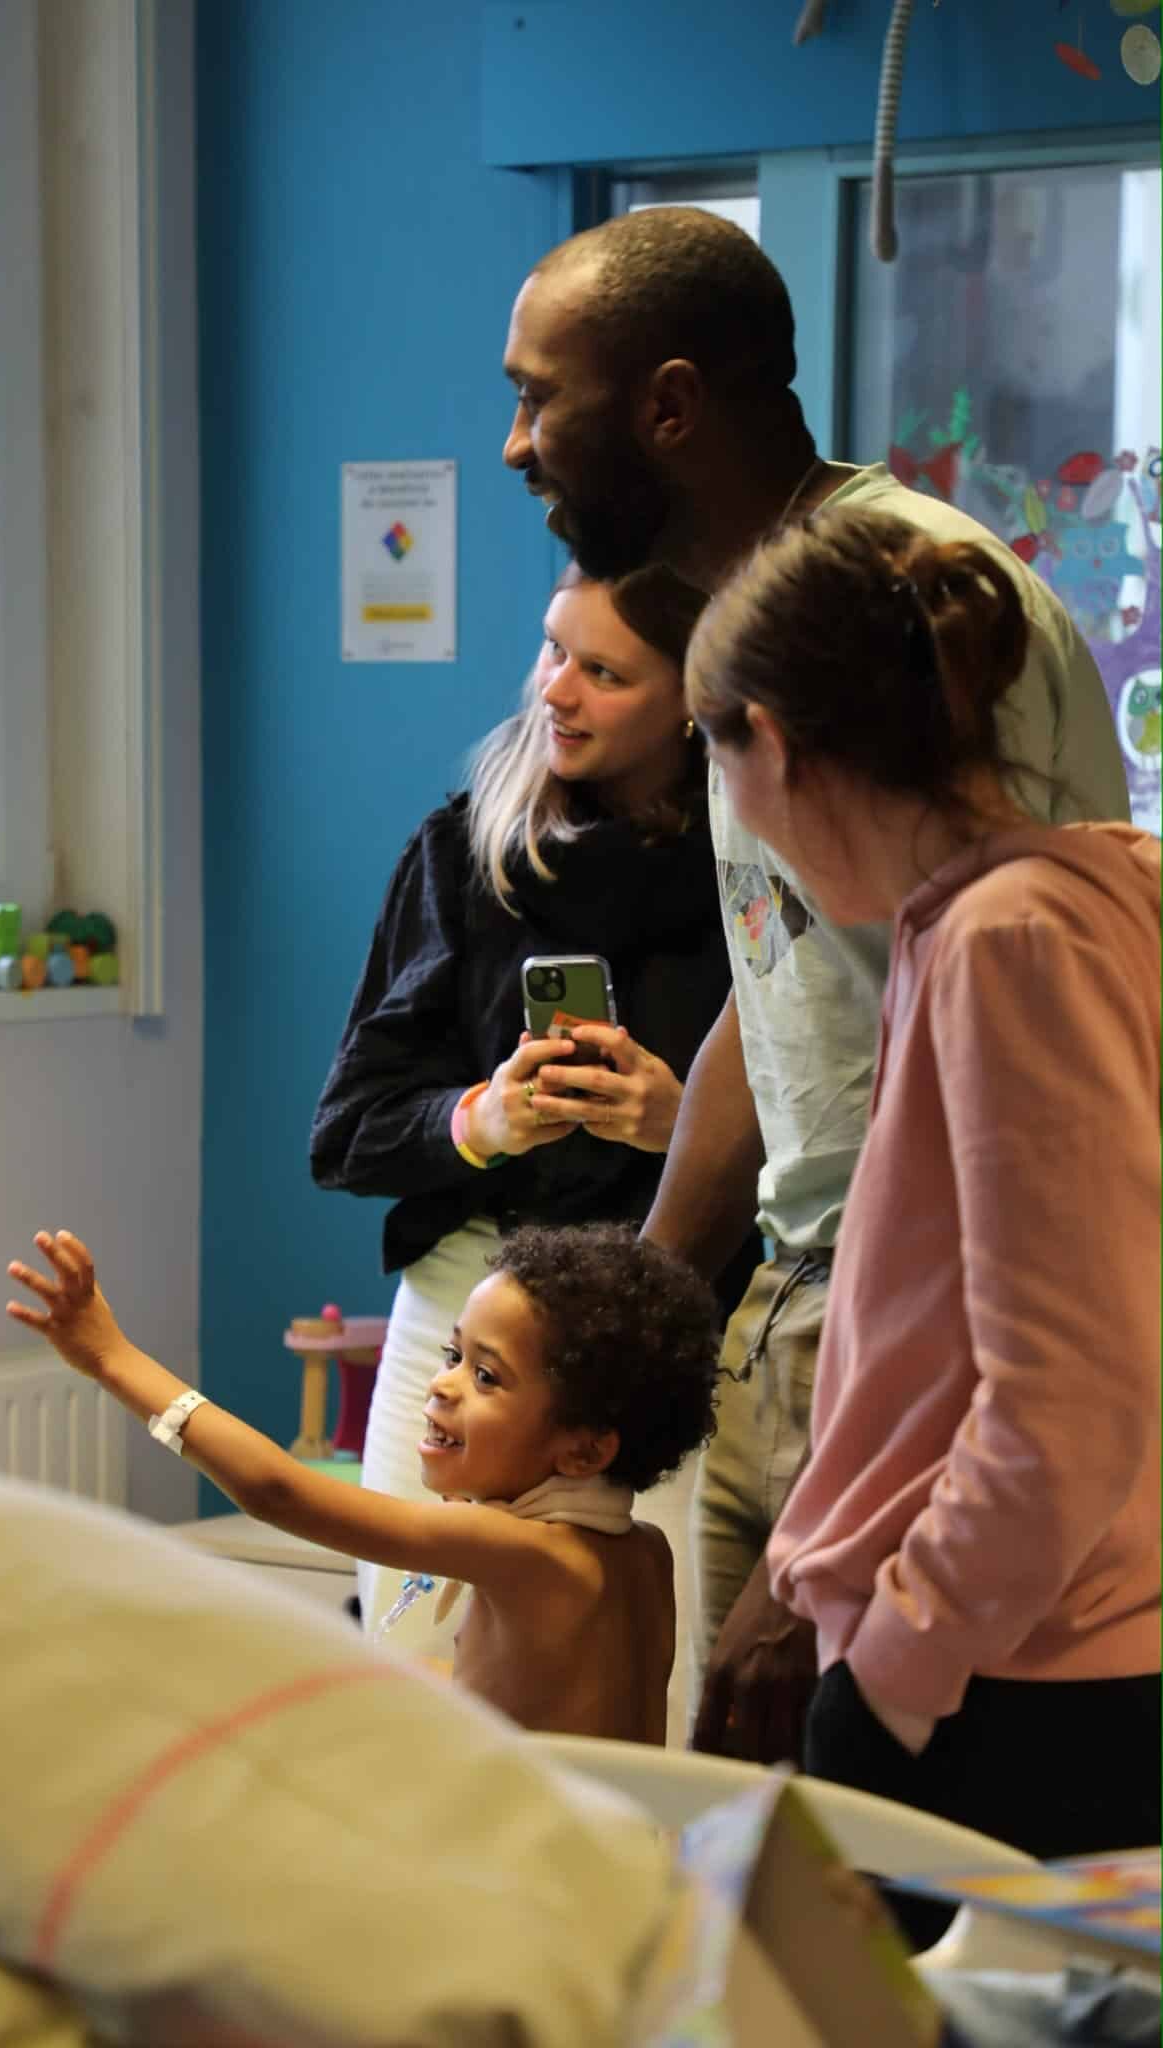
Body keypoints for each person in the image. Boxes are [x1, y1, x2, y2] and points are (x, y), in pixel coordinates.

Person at [500, 203, 1132, 1758]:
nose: (515, 445)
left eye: (536, 397)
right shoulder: (757, 626)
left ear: (667, 405)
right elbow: (775, 978)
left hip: (926, 1357)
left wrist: (871, 1524)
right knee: (742, 1812)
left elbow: (1027, 1123)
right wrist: (641, 1309)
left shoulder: (905, 607)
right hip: (793, 1313)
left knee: (844, 1825)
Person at [685, 504, 1159, 1863]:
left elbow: (1067, 1393)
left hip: (1015, 1683)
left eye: (717, 757)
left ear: (770, 743)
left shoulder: (1013, 939)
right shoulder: (1044, 903)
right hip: (1019, 1657)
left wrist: (896, 1666)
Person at [309, 560, 759, 1704]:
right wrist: (484, 1118)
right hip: (466, 1309)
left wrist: (681, 1125)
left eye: (603, 670)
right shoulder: (468, 849)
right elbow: (348, 1130)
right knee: (408, 1675)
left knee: (646, 1687)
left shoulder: (757, 871)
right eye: (553, 648)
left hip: (653, 1320)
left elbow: (841, 1143)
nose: (555, 688)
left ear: (692, 696)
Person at [6, 1220, 720, 1745]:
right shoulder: (643, 1552)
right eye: (452, 1354)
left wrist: (111, 1358)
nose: (442, 1384)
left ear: (584, 1450)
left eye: (486, 1376)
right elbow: (539, 1709)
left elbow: (275, 1491)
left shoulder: (529, 1552)